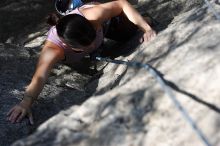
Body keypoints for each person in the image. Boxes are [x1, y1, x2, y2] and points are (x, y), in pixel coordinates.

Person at [7, 0, 156, 124]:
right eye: (86, 45)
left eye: (92, 39)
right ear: (68, 46)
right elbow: (40, 76)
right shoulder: (53, 50)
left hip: (105, 26)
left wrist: (146, 28)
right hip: (78, 41)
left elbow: (121, 3)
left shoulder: (93, 15)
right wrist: (26, 103)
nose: (91, 45)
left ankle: (146, 18)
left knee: (128, 33)